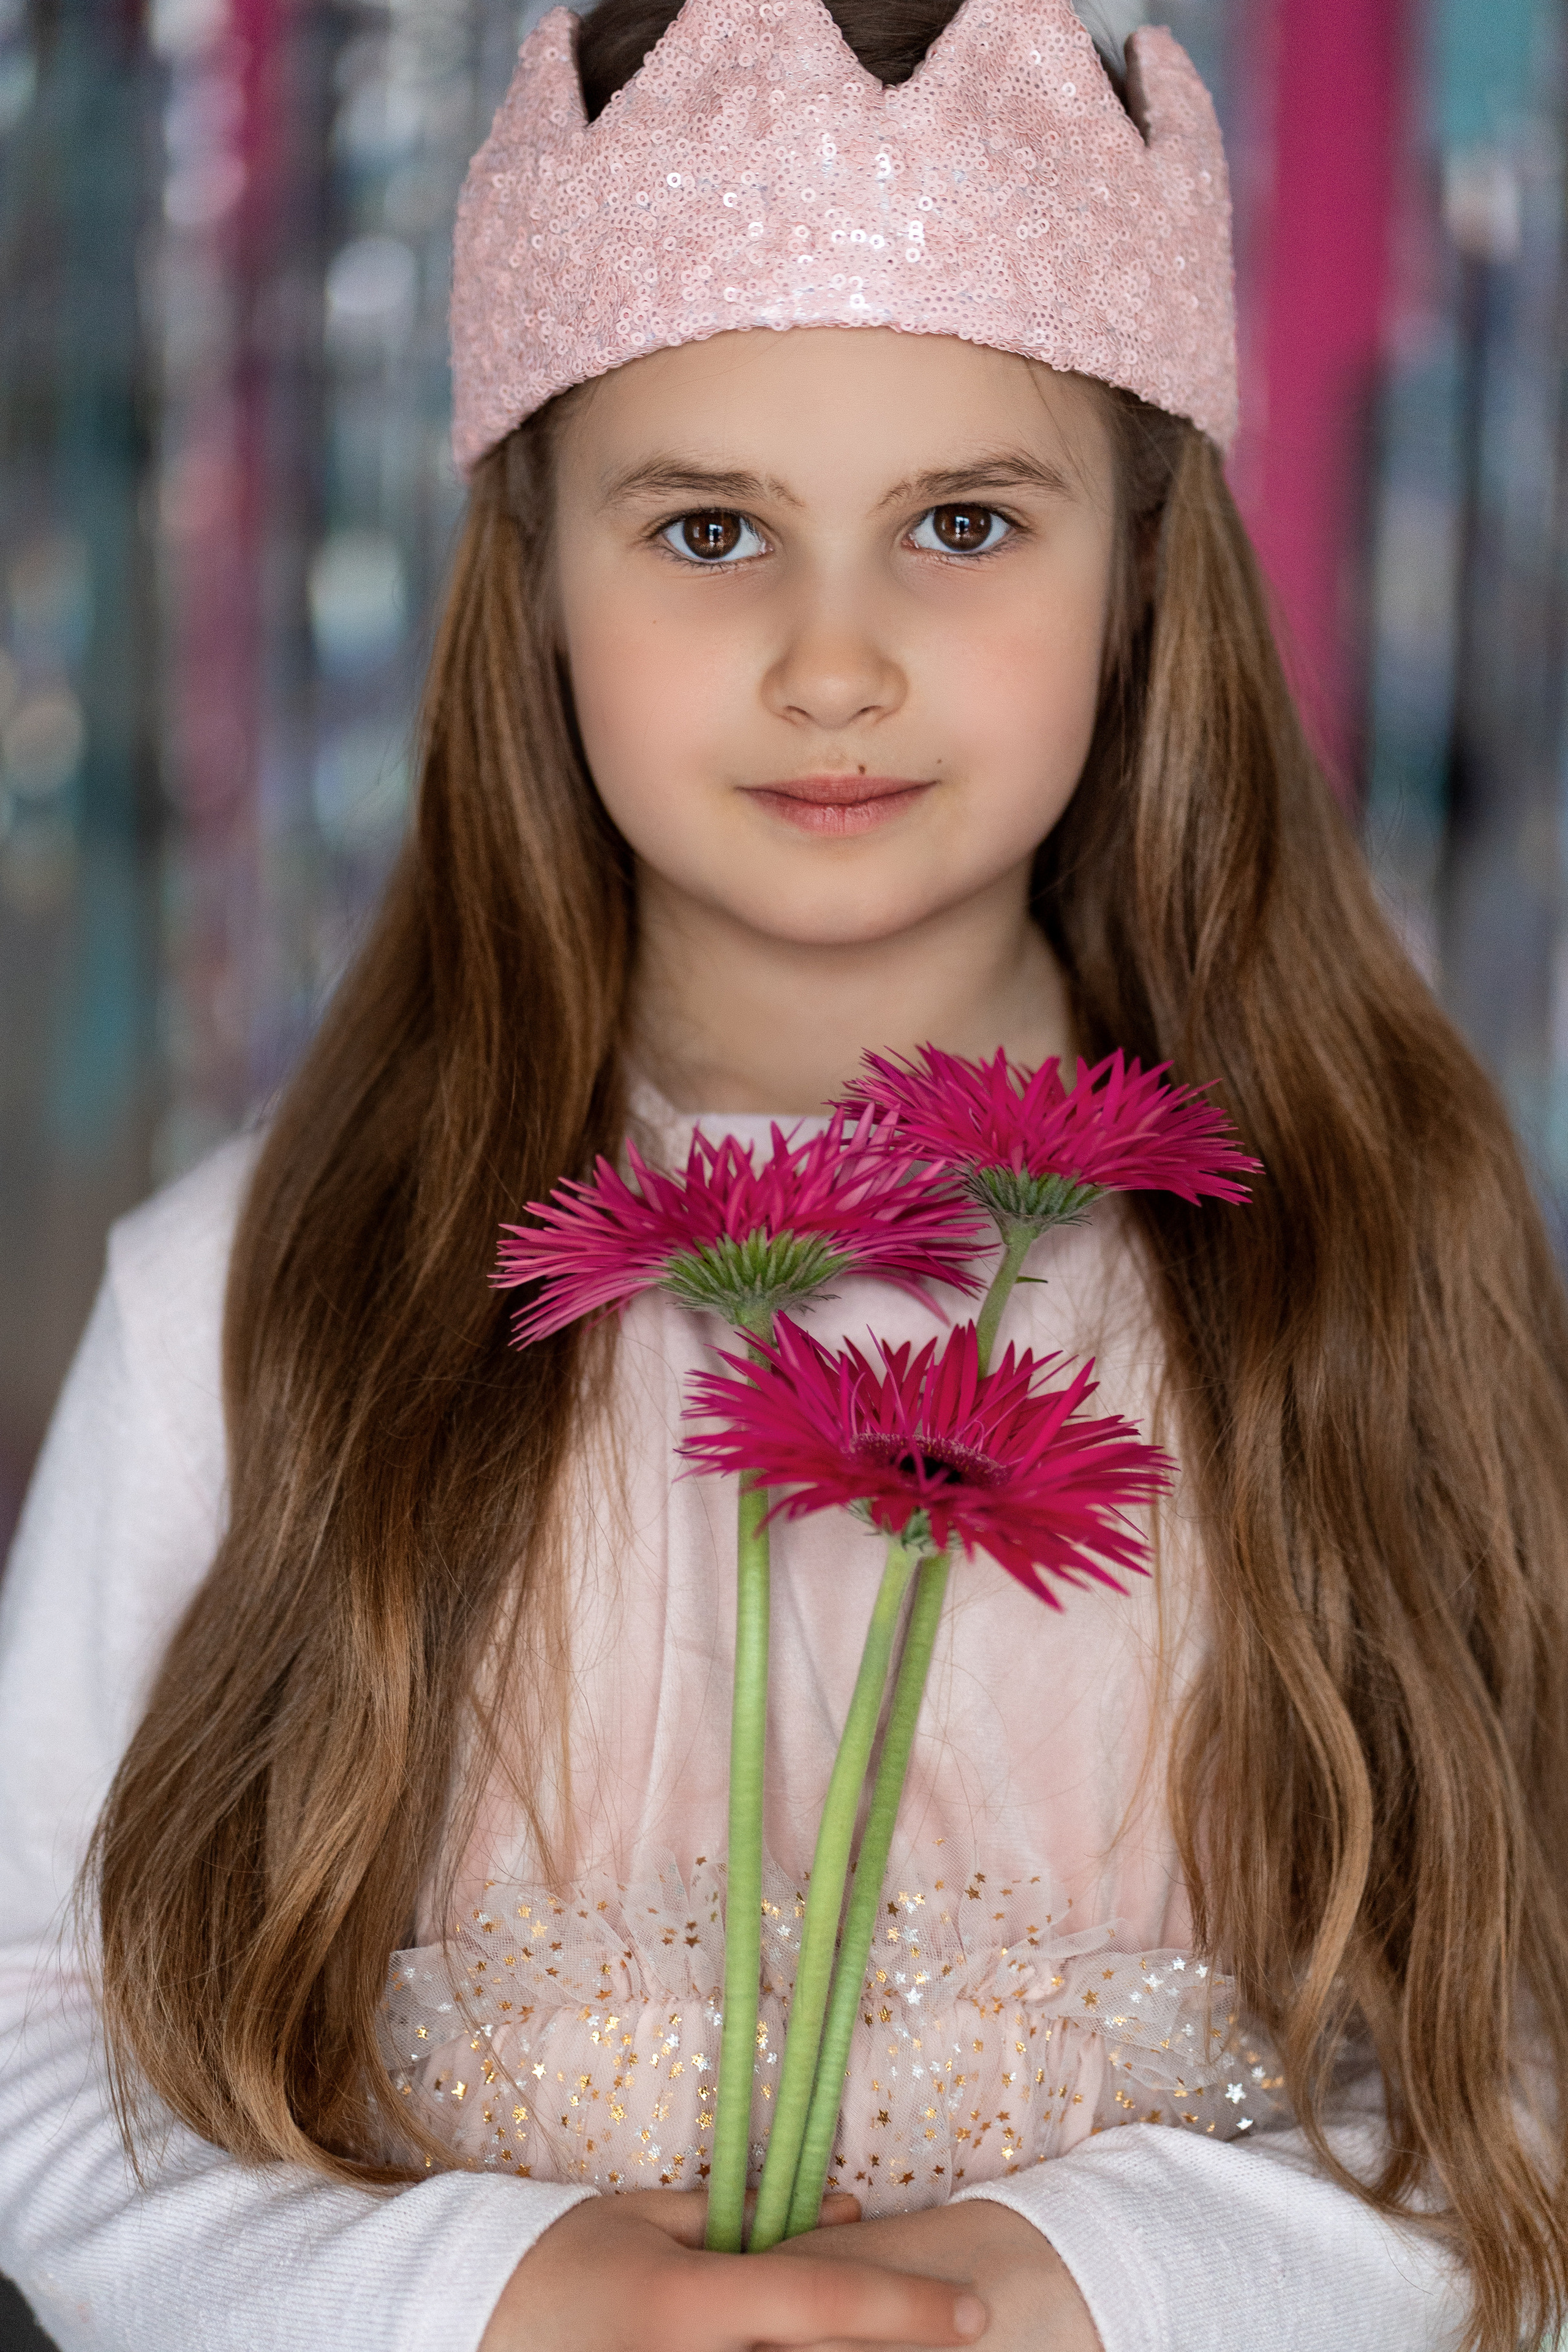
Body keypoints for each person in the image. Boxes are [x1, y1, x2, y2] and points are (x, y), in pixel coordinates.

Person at [2, 0, 1566, 2345]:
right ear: (529, 569)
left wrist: (1086, 2279)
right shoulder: (247, 1290)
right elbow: (33, 2039)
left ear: (1145, 568)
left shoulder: (1356, 1255)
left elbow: (1526, 2042)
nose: (833, 663)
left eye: (961, 524)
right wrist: (510, 2296)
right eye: (711, 530)